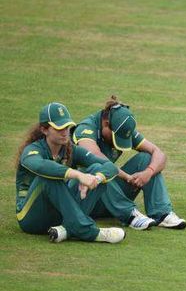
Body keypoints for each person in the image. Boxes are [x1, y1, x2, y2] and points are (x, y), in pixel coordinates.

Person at [15, 102, 126, 243]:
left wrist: (95, 179)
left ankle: (66, 229)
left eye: (67, 127)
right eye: (59, 128)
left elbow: (109, 167)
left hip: (59, 214)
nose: (65, 132)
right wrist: (79, 175)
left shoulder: (71, 149)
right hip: (30, 218)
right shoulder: (32, 150)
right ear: (44, 130)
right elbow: (41, 166)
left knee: (96, 171)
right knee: (49, 177)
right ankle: (88, 231)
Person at [73, 96, 186, 229]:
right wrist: (126, 177)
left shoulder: (122, 128)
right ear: (105, 123)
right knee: (98, 167)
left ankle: (162, 214)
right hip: (83, 198)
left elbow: (159, 153)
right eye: (116, 138)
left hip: (109, 198)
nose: (118, 144)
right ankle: (130, 215)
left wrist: (148, 172)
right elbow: (96, 157)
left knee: (147, 158)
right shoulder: (86, 128)